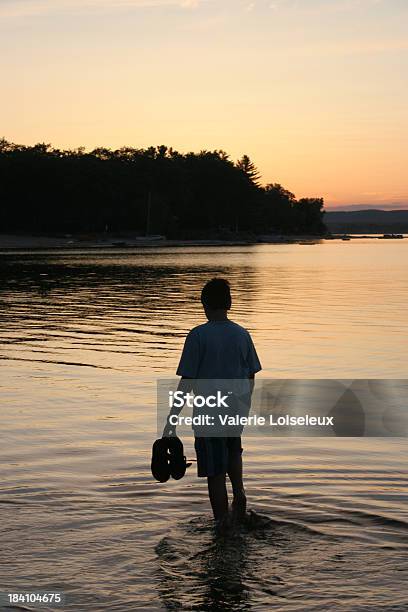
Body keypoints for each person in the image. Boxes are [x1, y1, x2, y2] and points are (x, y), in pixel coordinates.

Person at [163, 278, 262, 526]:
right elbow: (251, 374)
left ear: (203, 303)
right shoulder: (242, 334)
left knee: (215, 472)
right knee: (233, 451)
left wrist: (171, 419)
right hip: (236, 408)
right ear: (229, 303)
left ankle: (222, 526)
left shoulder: (198, 335)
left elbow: (187, 380)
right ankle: (239, 493)